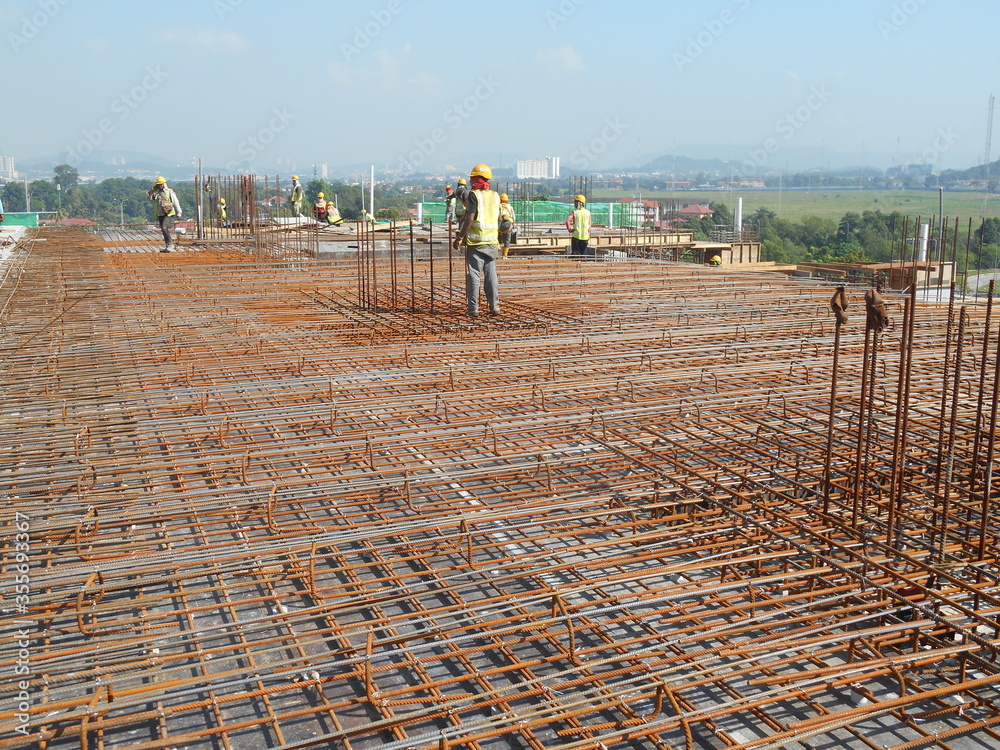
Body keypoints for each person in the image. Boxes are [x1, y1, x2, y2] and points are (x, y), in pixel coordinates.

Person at [453, 163, 501, 318]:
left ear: (477, 179)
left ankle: (473, 308)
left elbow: (469, 219)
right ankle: (494, 306)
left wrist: (460, 237)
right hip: (492, 242)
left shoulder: (474, 195)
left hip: (476, 243)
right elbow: (499, 219)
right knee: (491, 275)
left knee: (474, 276)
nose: (471, 182)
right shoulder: (495, 196)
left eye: (473, 179)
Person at [147, 176, 182, 252]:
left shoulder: (169, 192)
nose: (160, 185)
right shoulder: (156, 193)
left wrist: (179, 212)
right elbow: (149, 199)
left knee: (164, 227)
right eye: (158, 184)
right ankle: (168, 245)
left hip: (169, 213)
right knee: (163, 229)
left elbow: (176, 202)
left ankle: (170, 245)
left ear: (164, 183)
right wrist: (151, 191)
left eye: (161, 184)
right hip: (160, 213)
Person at [565, 194, 591, 258]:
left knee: (575, 256)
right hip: (585, 238)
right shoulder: (588, 212)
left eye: (576, 202)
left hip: (576, 238)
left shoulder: (575, 212)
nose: (575, 204)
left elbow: (567, 221)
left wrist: (570, 230)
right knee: (584, 256)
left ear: (579, 203)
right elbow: (590, 225)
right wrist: (588, 235)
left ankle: (575, 266)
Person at [499, 193, 516, 258]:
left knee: (495, 240)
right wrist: (512, 226)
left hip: (499, 225)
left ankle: (496, 254)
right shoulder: (510, 207)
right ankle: (504, 256)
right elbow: (514, 218)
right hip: (508, 225)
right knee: (507, 240)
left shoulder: (498, 206)